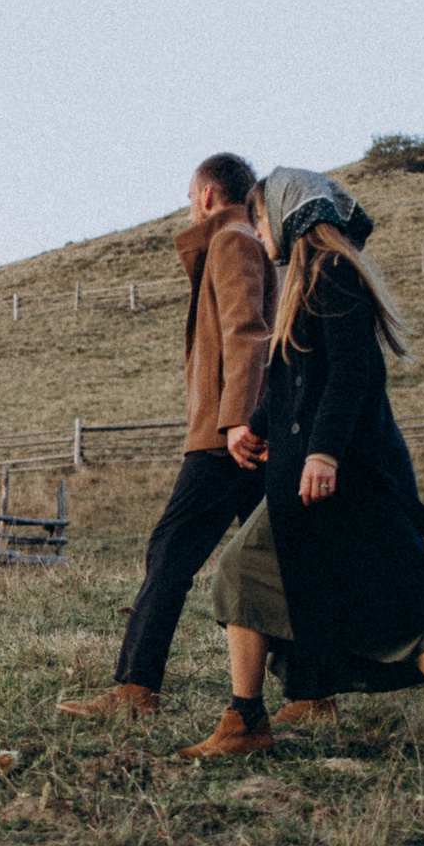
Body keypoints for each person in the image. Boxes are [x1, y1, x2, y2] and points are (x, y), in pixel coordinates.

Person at [178, 167, 424, 774]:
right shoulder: (306, 281)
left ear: (287, 215)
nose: (258, 231)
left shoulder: (332, 274)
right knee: (248, 574)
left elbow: (351, 373)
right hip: (308, 485)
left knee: (396, 617)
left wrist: (323, 453)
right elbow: (293, 378)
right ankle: (245, 720)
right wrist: (254, 426)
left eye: (261, 218)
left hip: (349, 484)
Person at [58, 153, 275, 719]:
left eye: (189, 198)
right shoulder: (243, 239)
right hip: (240, 431)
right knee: (279, 559)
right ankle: (312, 693)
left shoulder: (231, 241)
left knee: (170, 553)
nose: (189, 208)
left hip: (225, 438)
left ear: (206, 195)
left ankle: (136, 690)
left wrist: (235, 419)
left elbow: (247, 333)